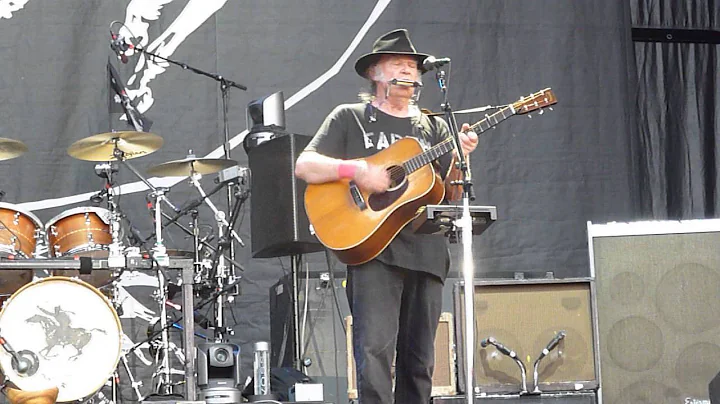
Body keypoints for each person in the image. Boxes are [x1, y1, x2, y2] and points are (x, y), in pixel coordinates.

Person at [294, 29, 478, 404]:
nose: (410, 72)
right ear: (375, 74)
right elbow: (305, 165)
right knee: (374, 354)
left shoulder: (434, 126)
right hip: (374, 250)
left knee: (420, 360)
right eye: (400, 64)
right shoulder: (350, 117)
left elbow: (452, 194)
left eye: (414, 67)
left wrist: (463, 157)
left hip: (426, 252)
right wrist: (357, 171)